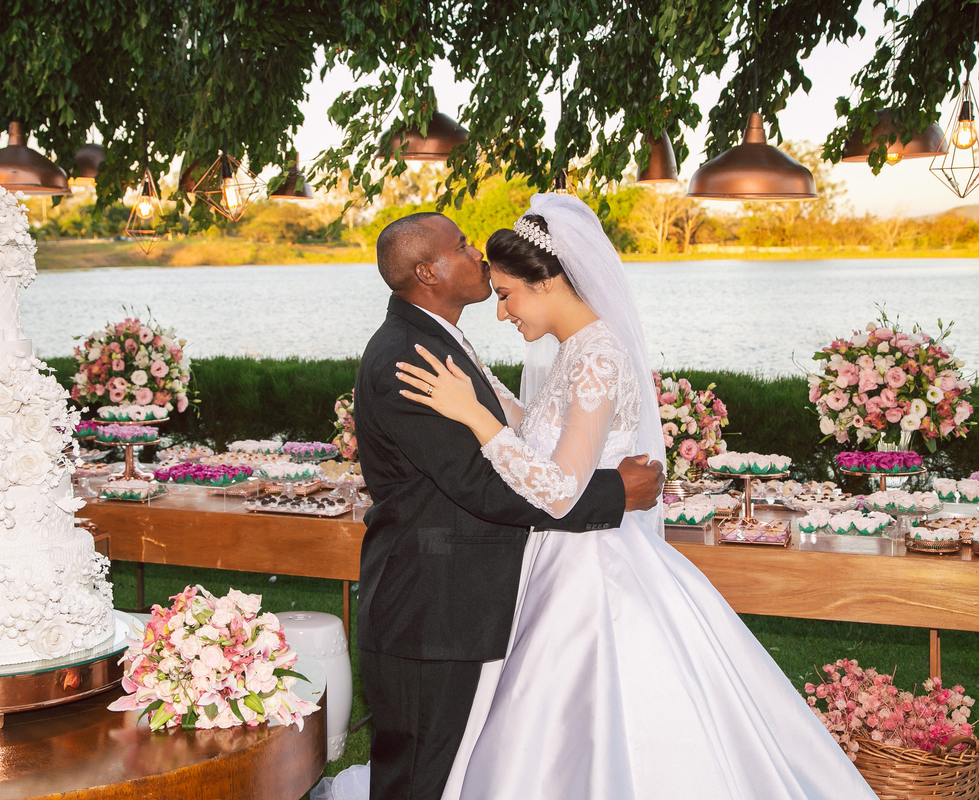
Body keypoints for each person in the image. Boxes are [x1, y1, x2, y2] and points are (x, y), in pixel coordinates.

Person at [393, 193, 878, 799]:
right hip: (556, 562)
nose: (503, 313)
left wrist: (477, 419)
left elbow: (563, 490)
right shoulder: (574, 352)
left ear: (545, 281)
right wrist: (482, 386)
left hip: (591, 572)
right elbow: (540, 433)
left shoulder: (598, 355)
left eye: (506, 295)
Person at [351, 211, 666, 799]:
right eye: (462, 246)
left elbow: (522, 440)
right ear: (427, 272)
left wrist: (483, 405)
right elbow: (482, 485)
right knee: (420, 778)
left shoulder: (441, 340)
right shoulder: (409, 356)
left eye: (506, 291)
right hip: (432, 613)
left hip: (485, 599)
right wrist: (615, 493)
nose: (477, 256)